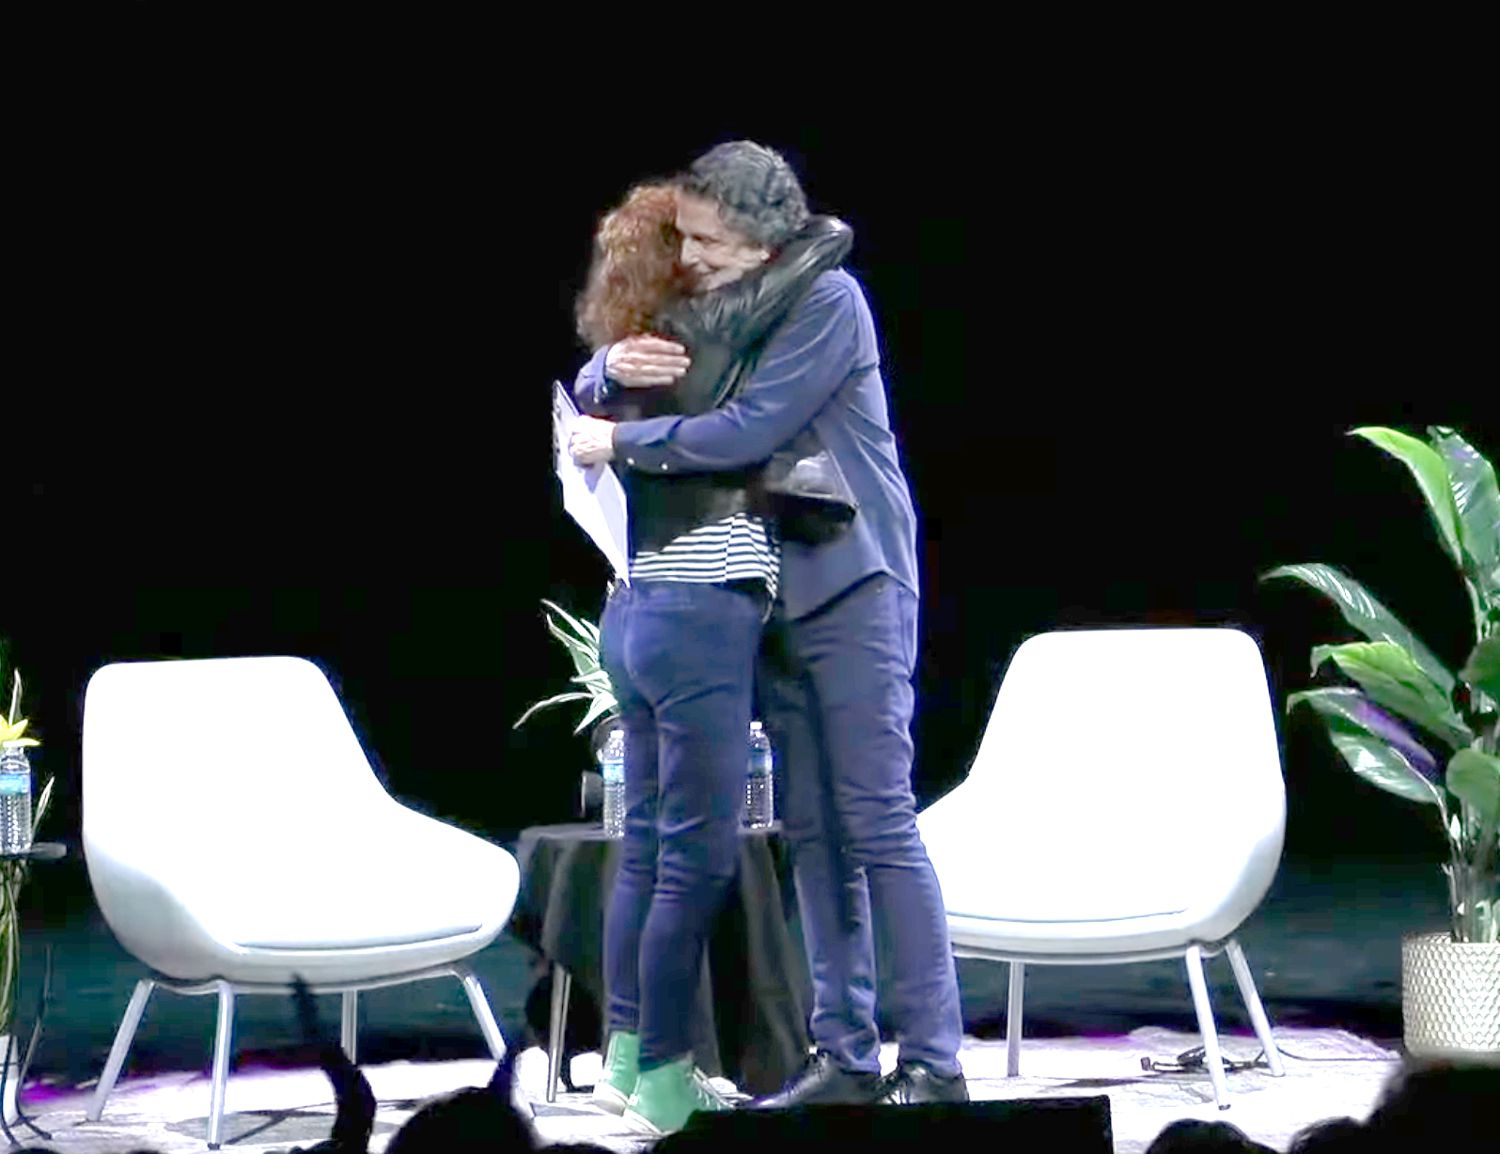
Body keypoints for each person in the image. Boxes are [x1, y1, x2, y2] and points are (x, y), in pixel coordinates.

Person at [569, 140, 967, 1108]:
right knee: (813, 833)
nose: (691, 255)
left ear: (758, 240)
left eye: (706, 239)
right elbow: (654, 370)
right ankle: (845, 1054)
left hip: (854, 584)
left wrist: (617, 437)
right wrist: (601, 371)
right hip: (771, 599)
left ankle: (934, 1062)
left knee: (875, 819)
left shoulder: (829, 302)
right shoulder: (732, 304)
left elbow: (744, 427)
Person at [568, 176, 852, 1135]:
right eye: (695, 241)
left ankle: (622, 1055)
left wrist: (603, 370)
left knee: (646, 849)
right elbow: (813, 257)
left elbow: (593, 401)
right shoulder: (703, 345)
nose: (715, 253)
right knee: (694, 858)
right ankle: (663, 1076)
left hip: (637, 613)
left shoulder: (632, 351)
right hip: (696, 614)